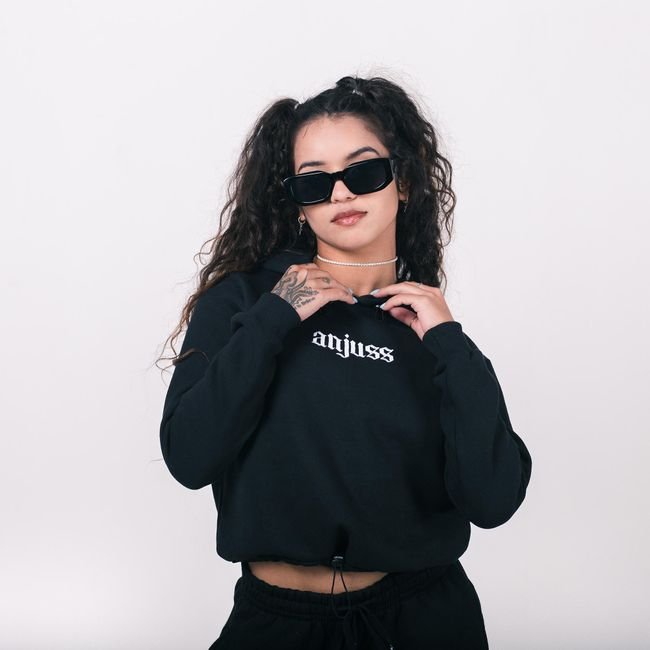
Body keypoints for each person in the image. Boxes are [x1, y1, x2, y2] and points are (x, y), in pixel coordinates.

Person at [157, 74, 533, 649]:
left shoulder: (431, 332)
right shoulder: (246, 303)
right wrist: (274, 318)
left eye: (362, 172)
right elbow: (189, 456)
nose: (339, 194)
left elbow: (493, 500)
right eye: (315, 181)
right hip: (278, 624)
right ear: (298, 202)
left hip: (423, 619)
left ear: (404, 181)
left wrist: (452, 346)